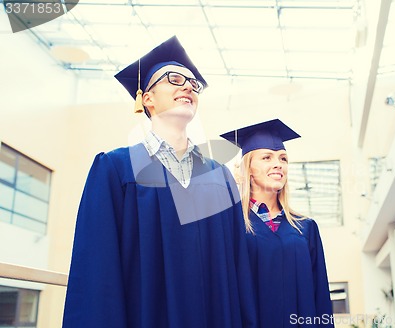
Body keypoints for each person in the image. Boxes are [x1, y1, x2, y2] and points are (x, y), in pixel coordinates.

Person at [62, 36, 256, 328]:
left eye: (194, 84)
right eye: (175, 79)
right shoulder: (116, 168)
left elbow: (238, 268)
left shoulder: (219, 176)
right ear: (147, 98)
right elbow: (96, 267)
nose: (188, 86)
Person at [221, 119, 334, 328]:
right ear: (249, 168)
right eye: (266, 157)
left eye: (283, 159)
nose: (278, 164)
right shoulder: (232, 224)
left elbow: (321, 298)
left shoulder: (305, 228)